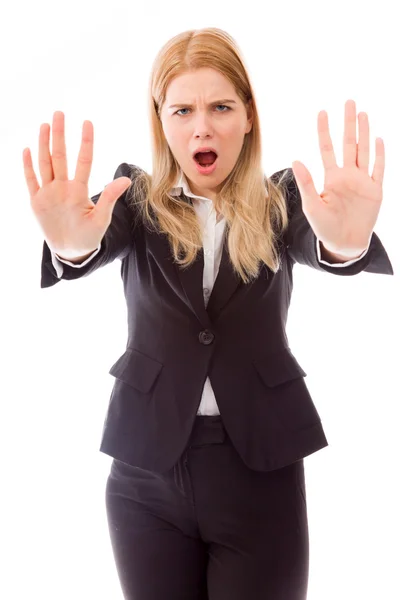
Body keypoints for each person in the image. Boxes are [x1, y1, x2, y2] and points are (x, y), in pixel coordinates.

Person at [24, 27, 394, 600]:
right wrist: (71, 246)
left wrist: (345, 244)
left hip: (259, 470)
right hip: (144, 476)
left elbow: (323, 243)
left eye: (221, 106)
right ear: (161, 120)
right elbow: (87, 242)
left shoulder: (283, 201)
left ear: (248, 116)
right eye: (183, 109)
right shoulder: (136, 202)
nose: (202, 126)